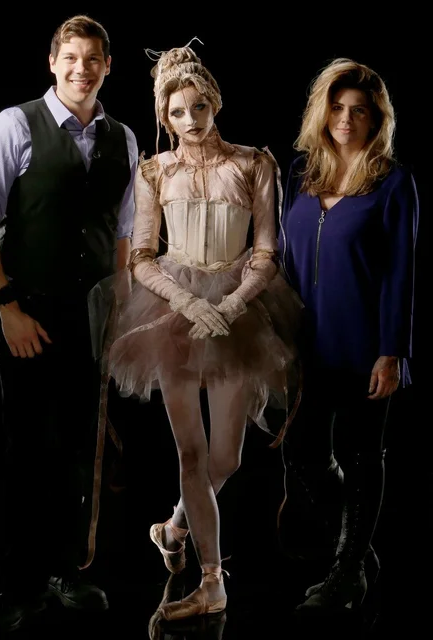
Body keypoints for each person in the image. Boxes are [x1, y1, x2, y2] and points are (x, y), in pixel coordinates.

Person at [100, 44, 302, 620]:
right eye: (177, 112)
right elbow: (142, 256)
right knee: (190, 452)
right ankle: (212, 581)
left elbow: (266, 251)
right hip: (174, 309)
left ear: (215, 104)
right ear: (164, 116)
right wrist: (187, 301)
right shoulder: (155, 171)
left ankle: (172, 527)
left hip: (240, 305)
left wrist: (233, 303)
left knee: (226, 457)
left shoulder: (254, 164)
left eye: (199, 107)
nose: (189, 120)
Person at [0, 14, 138, 633]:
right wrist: (8, 309)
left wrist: (121, 311)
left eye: (93, 59)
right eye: (71, 58)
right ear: (53, 63)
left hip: (95, 317)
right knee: (27, 450)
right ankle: (17, 586)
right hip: (28, 310)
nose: (82, 69)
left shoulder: (124, 139)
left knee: (84, 448)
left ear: (107, 66)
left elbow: (124, 234)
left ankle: (69, 570)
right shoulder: (13, 125)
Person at [278, 58, 419, 611]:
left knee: (362, 457)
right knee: (302, 452)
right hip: (303, 345)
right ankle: (358, 548)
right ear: (322, 110)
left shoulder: (393, 183)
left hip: (364, 348)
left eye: (359, 111)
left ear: (376, 119)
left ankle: (349, 570)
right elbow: (283, 258)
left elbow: (401, 273)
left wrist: (392, 353)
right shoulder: (301, 172)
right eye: (336, 107)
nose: (345, 119)